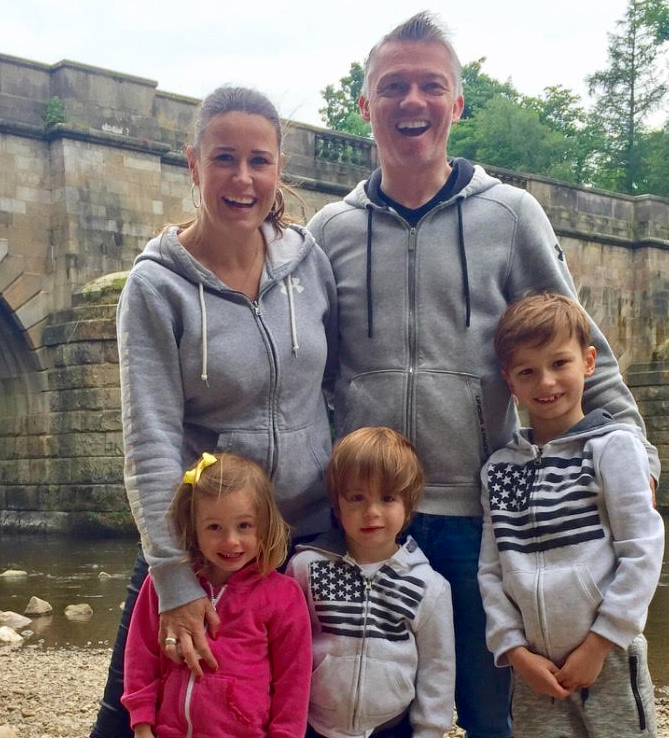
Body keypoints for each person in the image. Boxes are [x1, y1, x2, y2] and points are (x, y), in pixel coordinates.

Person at [306, 12, 660, 738]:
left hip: (481, 517)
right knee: (377, 710)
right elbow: (307, 377)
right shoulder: (328, 234)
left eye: (431, 86)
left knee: (494, 712)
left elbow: (579, 345)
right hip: (367, 520)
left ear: (456, 104)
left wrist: (637, 454)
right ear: (366, 105)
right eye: (392, 86)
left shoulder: (510, 215)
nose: (413, 101)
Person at [89, 86, 337, 738]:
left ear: (279, 167)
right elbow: (150, 438)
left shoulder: (310, 263)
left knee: (284, 718)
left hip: (303, 540)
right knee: (132, 717)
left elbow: (335, 383)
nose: (243, 178)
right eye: (224, 158)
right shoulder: (155, 286)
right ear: (193, 164)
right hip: (200, 544)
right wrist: (175, 580)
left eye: (260, 160)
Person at [478, 293, 664, 737]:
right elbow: (491, 570)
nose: (545, 382)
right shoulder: (499, 469)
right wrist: (515, 652)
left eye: (559, 363)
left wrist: (601, 643)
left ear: (588, 361)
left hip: (610, 657)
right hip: (533, 667)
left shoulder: (614, 447)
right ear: (510, 382)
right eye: (528, 371)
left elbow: (642, 550)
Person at [122, 452, 312, 738]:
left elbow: (293, 683)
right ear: (193, 527)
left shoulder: (283, 596)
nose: (231, 541)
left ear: (264, 524)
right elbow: (141, 654)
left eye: (244, 526)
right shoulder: (165, 585)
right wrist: (141, 723)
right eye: (214, 527)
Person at [287, 426, 455, 738]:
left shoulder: (429, 586)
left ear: (408, 507)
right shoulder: (304, 568)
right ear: (338, 506)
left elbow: (438, 670)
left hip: (391, 727)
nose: (371, 512)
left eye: (387, 498)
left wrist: (430, 731)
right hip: (312, 726)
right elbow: (285, 651)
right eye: (357, 498)